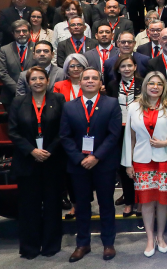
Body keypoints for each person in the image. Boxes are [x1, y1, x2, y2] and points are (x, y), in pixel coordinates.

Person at [59, 67, 122, 262]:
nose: (90, 81)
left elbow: (114, 135)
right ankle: (82, 243)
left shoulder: (111, 104)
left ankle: (108, 243)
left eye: (94, 78)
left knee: (106, 204)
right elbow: (64, 136)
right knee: (82, 206)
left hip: (103, 164)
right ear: (80, 81)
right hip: (78, 165)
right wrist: (79, 158)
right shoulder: (69, 106)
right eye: (86, 78)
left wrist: (96, 156)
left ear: (100, 83)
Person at [8, 67, 66, 259]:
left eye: (42, 78)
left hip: (52, 160)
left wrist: (49, 150)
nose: (38, 82)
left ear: (48, 81)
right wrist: (32, 150)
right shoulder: (18, 102)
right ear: (28, 82)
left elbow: (63, 129)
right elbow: (13, 131)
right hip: (27, 162)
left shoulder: (58, 100)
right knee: (28, 206)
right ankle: (30, 247)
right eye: (34, 79)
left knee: (52, 204)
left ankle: (51, 245)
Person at [121, 72, 167, 257]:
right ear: (145, 86)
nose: (155, 87)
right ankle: (149, 238)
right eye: (151, 83)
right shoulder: (133, 107)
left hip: (166, 158)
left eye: (159, 84)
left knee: (163, 202)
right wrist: (128, 163)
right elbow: (129, 137)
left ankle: (160, 237)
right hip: (141, 160)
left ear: (164, 87)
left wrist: (165, 142)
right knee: (146, 202)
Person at [104, 53, 142, 216]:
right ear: (118, 69)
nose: (126, 69)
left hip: (138, 128)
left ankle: (141, 201)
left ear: (135, 67)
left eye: (129, 66)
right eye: (123, 66)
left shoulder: (142, 84)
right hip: (118, 129)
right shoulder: (112, 85)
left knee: (139, 165)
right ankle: (129, 201)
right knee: (124, 166)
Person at [0, 19, 35, 110]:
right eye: (18, 31)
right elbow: (3, 73)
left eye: (24, 31)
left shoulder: (38, 48)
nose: (21, 34)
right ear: (13, 33)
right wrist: (18, 89)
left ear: (30, 32)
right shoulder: (5, 49)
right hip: (10, 95)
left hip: (34, 93)